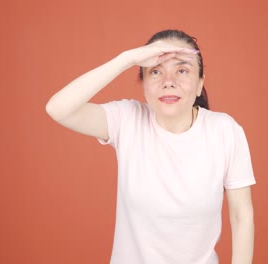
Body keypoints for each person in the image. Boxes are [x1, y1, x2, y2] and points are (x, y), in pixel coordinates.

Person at [46, 29, 256, 264]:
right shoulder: (127, 119)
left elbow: (241, 216)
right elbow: (58, 108)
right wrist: (126, 59)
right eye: (156, 71)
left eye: (182, 70)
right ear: (143, 83)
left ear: (200, 85)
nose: (168, 82)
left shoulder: (225, 130)